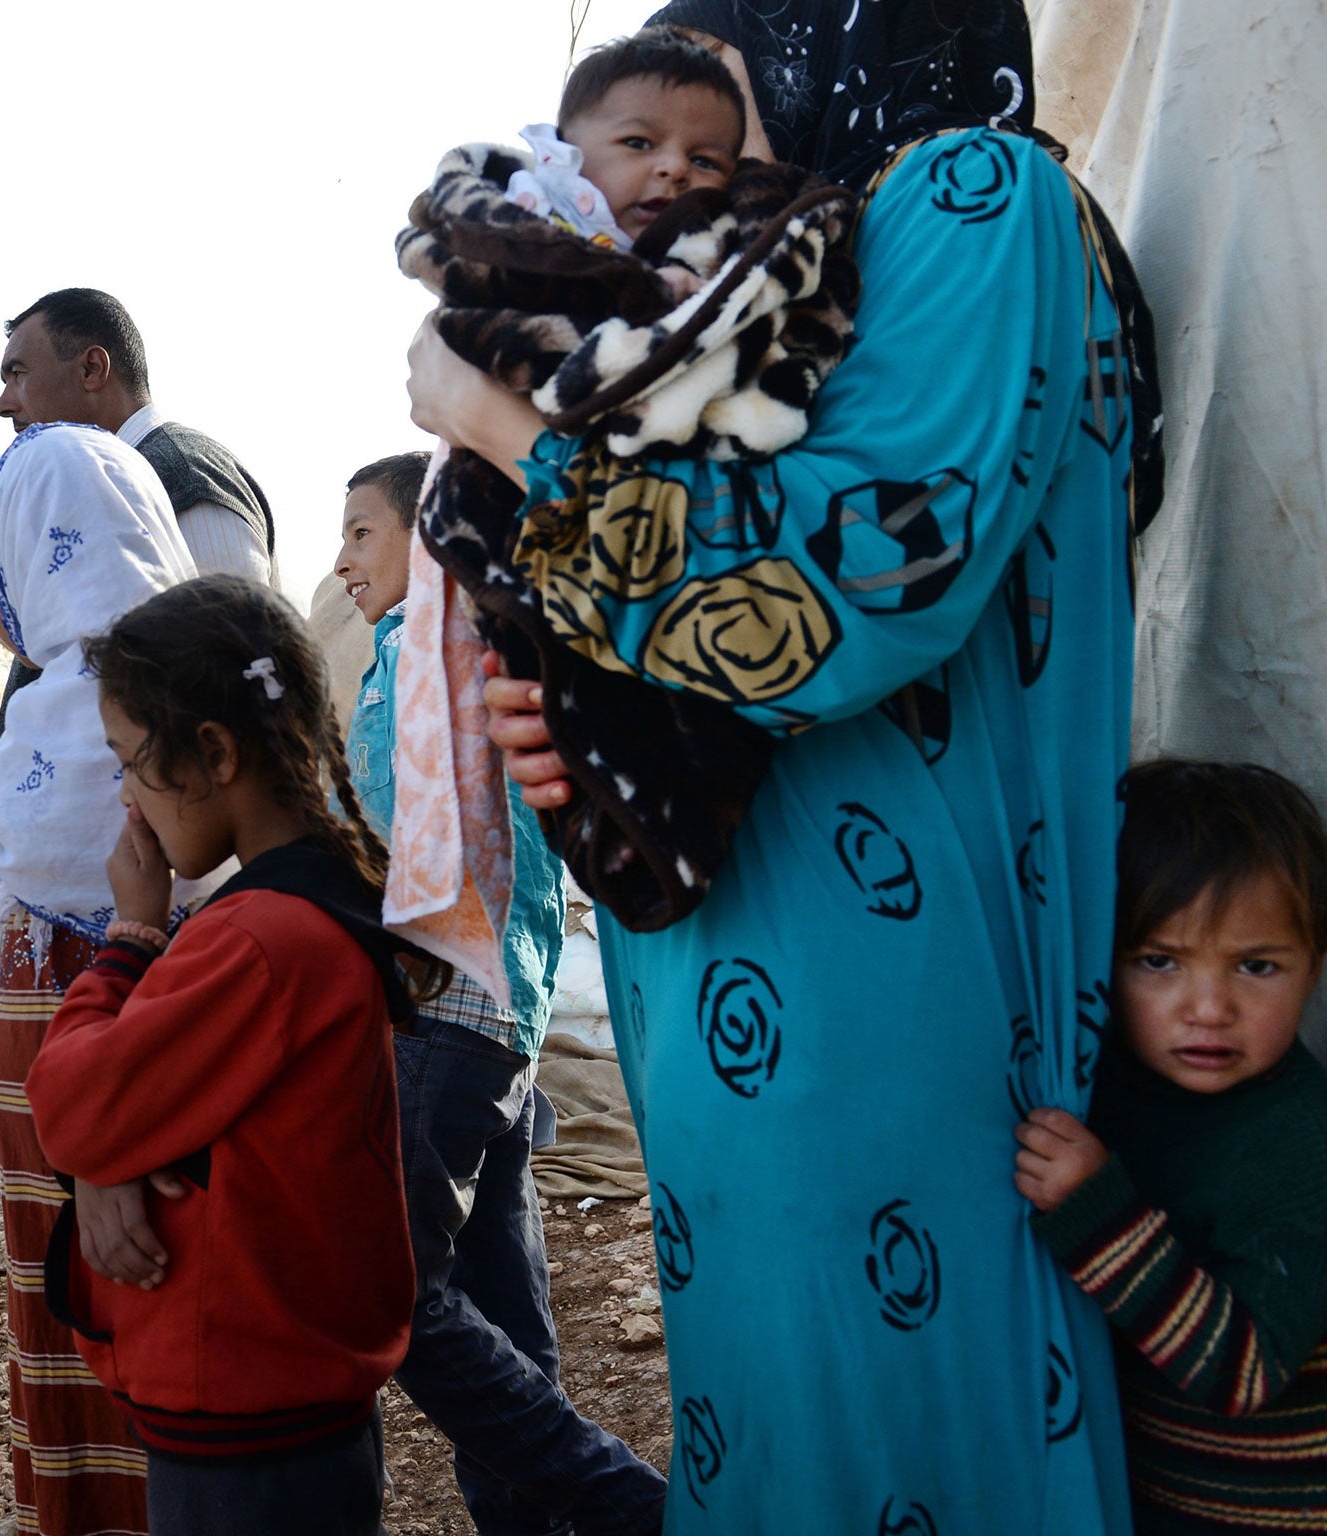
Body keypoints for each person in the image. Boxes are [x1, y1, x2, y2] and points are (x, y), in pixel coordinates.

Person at [409, 1, 1165, 1529]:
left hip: (888, 1002)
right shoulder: (763, 292)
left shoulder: (973, 194)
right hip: (746, 992)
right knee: (780, 1428)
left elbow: (831, 595)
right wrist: (571, 737)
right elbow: (658, 617)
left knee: (902, 1434)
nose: (687, 159)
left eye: (725, 94)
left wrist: (500, 425)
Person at [26, 574, 417, 1536]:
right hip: (284, 1409)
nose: (124, 796)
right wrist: (110, 1152)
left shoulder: (255, 944)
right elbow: (126, 1110)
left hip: (244, 1423)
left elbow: (75, 1103)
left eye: (127, 761)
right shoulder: (303, 907)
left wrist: (128, 935)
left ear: (211, 754)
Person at [336, 452, 668, 1534]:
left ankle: (630, 1506)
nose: (341, 560)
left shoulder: (456, 659)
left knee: (395, 1295)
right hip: (486, 1018)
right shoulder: (397, 658)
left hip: (456, 1011)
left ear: (425, 543)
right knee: (498, 1310)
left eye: (360, 533)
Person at [0, 421, 216, 1536]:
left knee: (127, 1280)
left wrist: (100, 1143)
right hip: (102, 1050)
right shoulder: (67, 693)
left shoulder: (118, 702)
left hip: (111, 1044)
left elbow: (134, 915)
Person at [1017, 759, 1327, 1535]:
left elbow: (1246, 1372)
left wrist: (1097, 1213)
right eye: (1160, 962)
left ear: (1315, 969)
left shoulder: (1298, 1146)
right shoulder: (1104, 1080)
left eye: (1256, 966)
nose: (1210, 1008)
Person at [0, 287, 276, 584]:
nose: (2, 405)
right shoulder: (118, 482)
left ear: (92, 370)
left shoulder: (183, 479)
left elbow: (233, 628)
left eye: (18, 375)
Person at [506, 27, 743, 266]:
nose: (676, 167)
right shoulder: (516, 216)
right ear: (565, 146)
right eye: (638, 143)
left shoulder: (732, 262)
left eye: (704, 161)